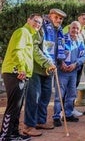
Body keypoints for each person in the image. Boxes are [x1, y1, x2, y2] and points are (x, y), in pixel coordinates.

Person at [23, 9, 67, 137]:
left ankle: (40, 121)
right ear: (49, 16)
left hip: (50, 69)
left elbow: (59, 49)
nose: (58, 20)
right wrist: (46, 62)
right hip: (37, 69)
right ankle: (29, 126)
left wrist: (59, 62)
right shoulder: (41, 27)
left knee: (45, 97)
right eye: (56, 17)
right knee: (33, 98)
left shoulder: (59, 31)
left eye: (61, 18)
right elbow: (34, 48)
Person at [0, 14, 43, 141]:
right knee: (13, 106)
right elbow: (16, 51)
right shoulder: (23, 32)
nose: (37, 24)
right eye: (35, 21)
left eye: (40, 23)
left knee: (17, 106)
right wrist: (21, 68)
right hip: (16, 73)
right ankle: (5, 135)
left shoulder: (29, 35)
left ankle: (13, 134)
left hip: (21, 74)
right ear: (28, 20)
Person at [53, 21, 85, 127]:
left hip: (73, 72)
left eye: (77, 28)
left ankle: (68, 114)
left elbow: (84, 56)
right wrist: (61, 62)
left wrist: (76, 64)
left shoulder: (80, 42)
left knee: (71, 94)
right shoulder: (62, 39)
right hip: (62, 71)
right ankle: (57, 116)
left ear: (80, 30)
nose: (75, 30)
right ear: (69, 28)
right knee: (59, 95)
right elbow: (56, 52)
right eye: (73, 28)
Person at [63, 13, 85, 117]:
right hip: (67, 65)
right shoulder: (68, 27)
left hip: (78, 65)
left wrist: (83, 60)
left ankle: (71, 108)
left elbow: (82, 48)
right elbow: (64, 45)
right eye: (84, 19)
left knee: (73, 87)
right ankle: (62, 109)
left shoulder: (84, 31)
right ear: (79, 18)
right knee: (65, 88)